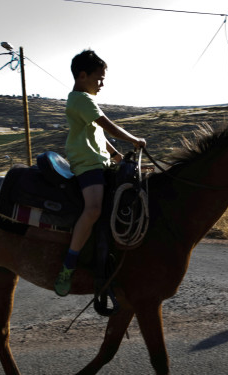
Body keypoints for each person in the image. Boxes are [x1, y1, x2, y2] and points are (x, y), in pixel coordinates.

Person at [55, 49, 146, 297]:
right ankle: (69, 264)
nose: (102, 83)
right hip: (87, 164)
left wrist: (116, 156)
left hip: (100, 161)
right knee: (93, 209)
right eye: (99, 78)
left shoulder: (86, 100)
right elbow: (107, 125)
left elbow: (98, 134)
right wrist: (134, 140)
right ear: (82, 75)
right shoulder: (81, 99)